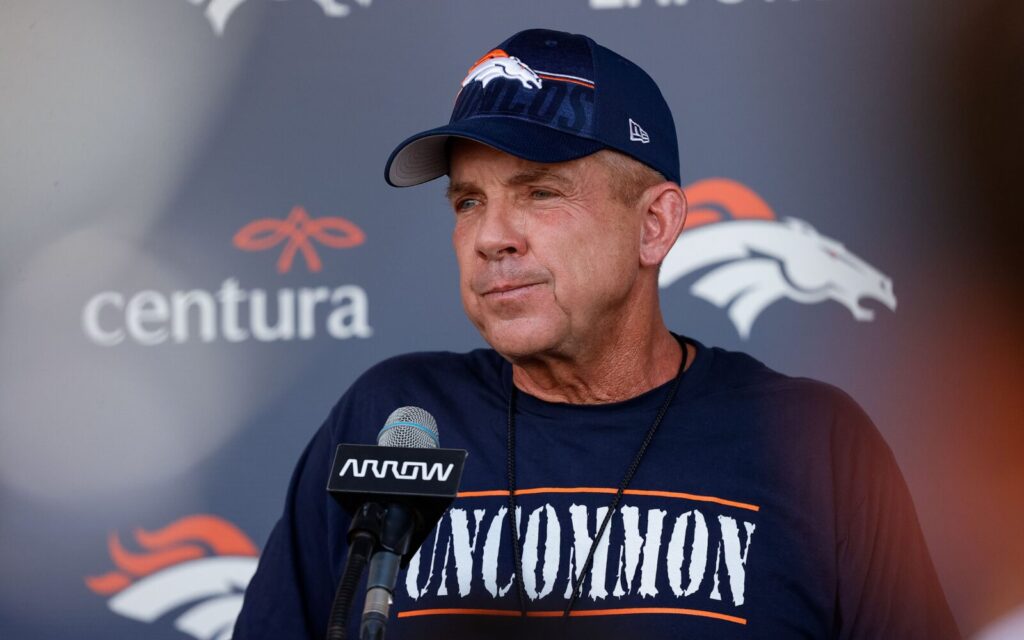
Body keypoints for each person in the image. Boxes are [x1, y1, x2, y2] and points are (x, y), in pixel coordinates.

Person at [234, 28, 959, 639]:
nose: (490, 237)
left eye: (540, 193)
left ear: (655, 225)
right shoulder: (396, 417)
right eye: (468, 201)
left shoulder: (812, 441)